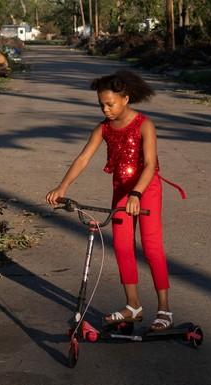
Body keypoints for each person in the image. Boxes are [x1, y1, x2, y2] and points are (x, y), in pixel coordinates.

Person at [45, 69, 185, 332]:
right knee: (121, 245)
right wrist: (62, 186)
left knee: (152, 247)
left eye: (110, 104)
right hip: (122, 190)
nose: (105, 110)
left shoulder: (144, 124)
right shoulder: (104, 128)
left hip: (146, 189)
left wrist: (137, 194)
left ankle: (164, 309)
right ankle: (133, 305)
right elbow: (84, 158)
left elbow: (151, 165)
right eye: (101, 105)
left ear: (126, 99)